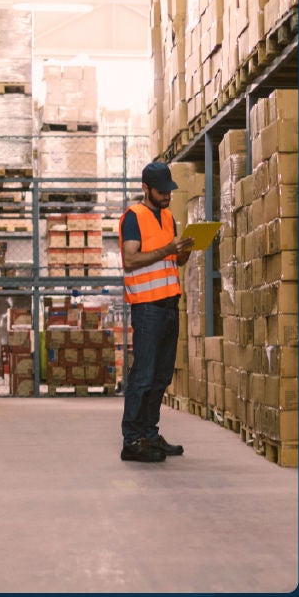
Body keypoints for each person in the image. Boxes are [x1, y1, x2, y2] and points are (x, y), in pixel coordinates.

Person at [119, 161, 195, 462]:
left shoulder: (168, 217)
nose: (167, 196)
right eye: (162, 191)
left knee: (162, 376)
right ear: (145, 189)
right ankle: (132, 440)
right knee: (144, 375)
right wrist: (168, 249)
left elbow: (174, 262)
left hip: (169, 305)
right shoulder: (133, 217)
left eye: (169, 191)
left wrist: (185, 249)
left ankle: (149, 434)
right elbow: (131, 259)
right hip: (148, 307)